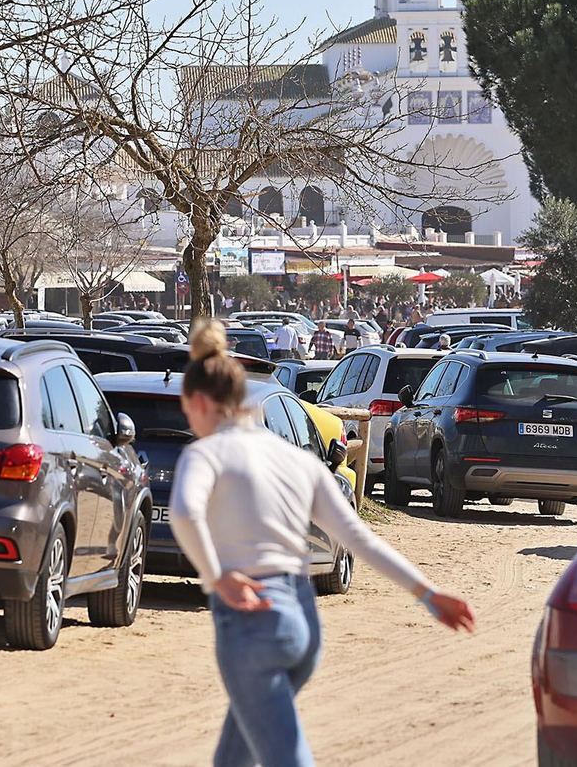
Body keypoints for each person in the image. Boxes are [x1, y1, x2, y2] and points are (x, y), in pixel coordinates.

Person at [170, 322, 475, 767]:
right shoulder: (296, 459)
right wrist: (427, 593)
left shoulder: (206, 454)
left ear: (198, 403)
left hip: (252, 623)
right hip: (303, 625)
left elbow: (185, 512)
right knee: (235, 754)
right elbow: (358, 539)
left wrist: (216, 576)